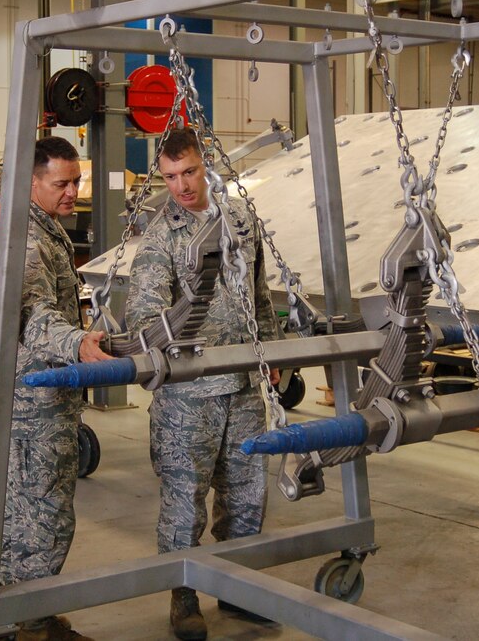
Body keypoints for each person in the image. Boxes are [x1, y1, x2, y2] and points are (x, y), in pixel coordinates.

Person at [125, 129, 281, 641]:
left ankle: (238, 588)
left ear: (205, 164)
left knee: (246, 494)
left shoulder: (240, 219)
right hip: (187, 399)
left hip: (241, 387)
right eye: (170, 177)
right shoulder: (159, 236)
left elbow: (258, 292)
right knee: (183, 500)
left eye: (188, 172)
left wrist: (272, 353)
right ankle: (184, 596)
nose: (181, 186)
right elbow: (146, 315)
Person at [1, 136, 112, 641]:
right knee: (41, 516)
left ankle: (26, 612)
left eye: (77, 182)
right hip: (35, 406)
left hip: (47, 399)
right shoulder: (29, 241)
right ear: (32, 182)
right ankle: (32, 624)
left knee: (31, 512)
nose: (72, 193)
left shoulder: (48, 233)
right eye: (62, 184)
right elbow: (33, 314)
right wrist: (79, 343)